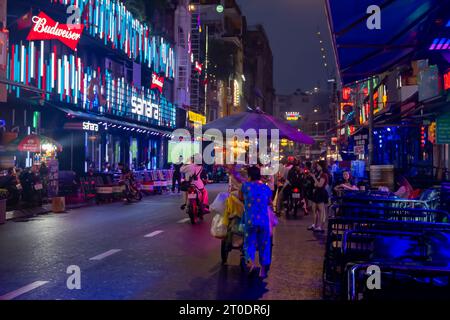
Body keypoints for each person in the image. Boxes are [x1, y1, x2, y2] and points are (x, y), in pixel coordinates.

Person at [239, 165, 273, 279]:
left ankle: (251, 263)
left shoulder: (245, 186)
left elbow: (240, 198)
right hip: (264, 222)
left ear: (249, 176)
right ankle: (263, 271)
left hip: (250, 221)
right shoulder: (266, 188)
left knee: (249, 242)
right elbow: (270, 202)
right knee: (264, 244)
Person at [308, 160, 329, 233]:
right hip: (316, 192)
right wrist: (316, 181)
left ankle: (320, 226)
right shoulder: (319, 174)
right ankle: (314, 224)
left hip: (321, 193)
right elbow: (315, 184)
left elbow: (320, 185)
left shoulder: (324, 175)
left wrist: (314, 178)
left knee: (321, 210)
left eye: (318, 166)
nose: (317, 167)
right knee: (314, 209)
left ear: (321, 166)